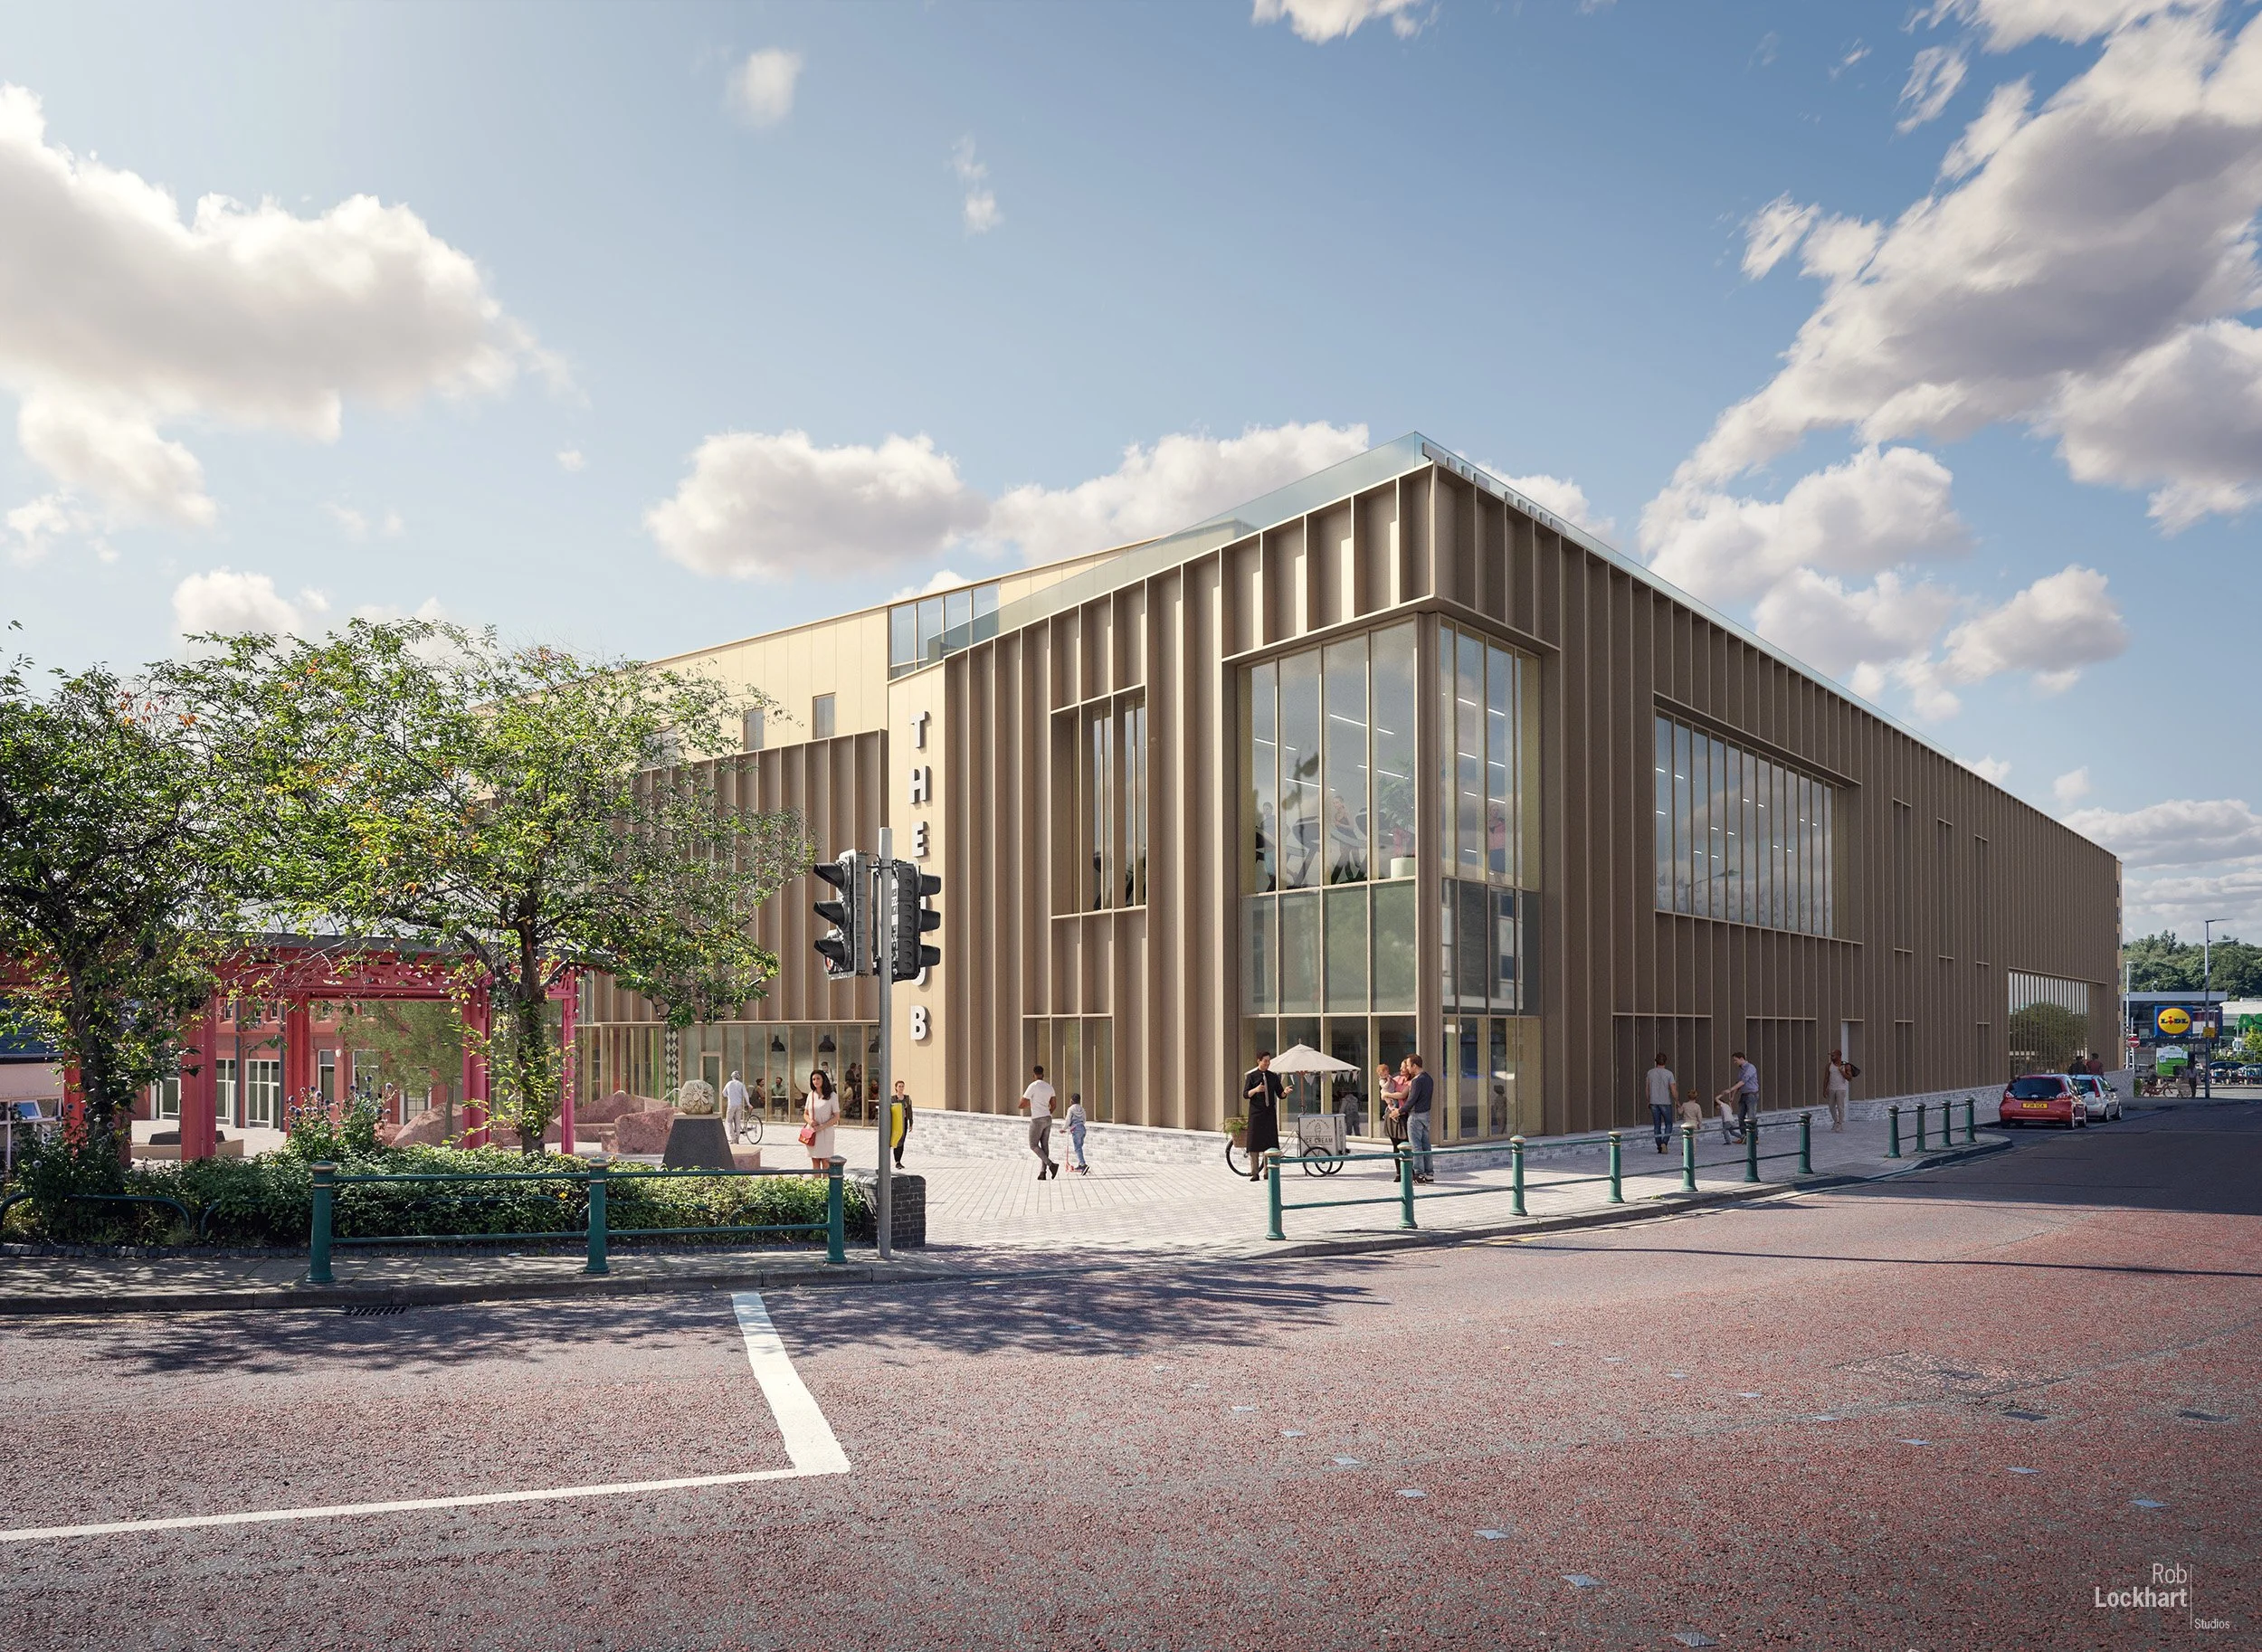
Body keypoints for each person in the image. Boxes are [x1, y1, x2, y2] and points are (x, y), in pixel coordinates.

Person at [1241, 1051, 1284, 1182]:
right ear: (1258, 1061)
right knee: (1254, 1143)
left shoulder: (1273, 1077)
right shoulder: (1252, 1076)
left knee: (1269, 1142)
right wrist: (1256, 1090)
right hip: (1256, 1113)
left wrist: (1285, 1092)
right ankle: (1255, 1173)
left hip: (1269, 1113)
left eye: (1269, 1061)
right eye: (1265, 1061)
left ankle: (1268, 1171)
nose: (1267, 1063)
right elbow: (1245, 1094)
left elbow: (1280, 1094)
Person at [1018, 1064, 1059, 1180]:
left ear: (1034, 1075)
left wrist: (1032, 1104)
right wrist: (1046, 1111)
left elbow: (1021, 1105)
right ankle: (1043, 1173)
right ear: (1043, 1074)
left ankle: (1051, 1165)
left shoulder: (1033, 1086)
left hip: (1037, 1119)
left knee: (1033, 1145)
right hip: (1047, 1118)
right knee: (1044, 1145)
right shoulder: (1050, 1087)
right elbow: (1054, 1105)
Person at [1402, 1054, 1434, 1182]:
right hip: (1426, 1115)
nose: (1408, 1069)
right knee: (1426, 1145)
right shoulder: (1429, 1079)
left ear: (1415, 1066)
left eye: (1409, 1066)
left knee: (1416, 1146)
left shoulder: (1417, 1080)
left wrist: (1399, 1111)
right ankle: (1429, 1174)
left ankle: (1419, 1175)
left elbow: (1411, 1100)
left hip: (1415, 1116)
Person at [1716, 1050, 1760, 1144]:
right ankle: (1744, 1137)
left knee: (1751, 1117)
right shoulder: (1741, 1070)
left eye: (1735, 1060)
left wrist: (1730, 1090)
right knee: (1740, 1116)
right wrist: (1733, 1096)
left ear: (1741, 1059)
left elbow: (1743, 1081)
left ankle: (1754, 1138)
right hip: (1744, 1094)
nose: (1734, 1063)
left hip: (1752, 1094)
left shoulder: (1750, 1068)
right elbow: (1738, 1084)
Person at [802, 1069, 839, 1172]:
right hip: (812, 1133)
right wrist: (811, 1122)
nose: (816, 1081)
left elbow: (836, 1117)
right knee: (815, 1161)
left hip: (826, 1133)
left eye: (818, 1078)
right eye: (813, 1079)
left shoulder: (832, 1096)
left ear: (824, 1080)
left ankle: (825, 1186)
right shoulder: (811, 1095)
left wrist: (821, 1126)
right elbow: (805, 1114)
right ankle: (816, 1185)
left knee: (826, 1161)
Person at [1645, 1053, 1678, 1154]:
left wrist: (1648, 1100)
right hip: (1665, 1102)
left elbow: (1647, 1088)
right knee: (1669, 1124)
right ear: (1665, 1061)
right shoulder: (1669, 1074)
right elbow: (1673, 1089)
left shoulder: (1650, 1073)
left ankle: (1659, 1146)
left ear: (1656, 1061)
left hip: (1654, 1102)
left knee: (1657, 1125)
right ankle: (1665, 1142)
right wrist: (1677, 1100)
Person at [1376, 1063, 1408, 1152]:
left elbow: (1402, 1095)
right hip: (1393, 1114)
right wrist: (1385, 1095)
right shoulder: (1396, 1078)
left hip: (1403, 1114)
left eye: (1404, 1067)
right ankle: (1399, 1165)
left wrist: (1387, 1094)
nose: (1401, 1068)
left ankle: (1408, 1165)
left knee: (1406, 1145)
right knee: (1396, 1145)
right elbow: (1384, 1094)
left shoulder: (1411, 1081)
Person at [1822, 1049, 1854, 1134]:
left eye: (1833, 1056)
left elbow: (1850, 1078)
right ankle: (1836, 1121)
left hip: (1841, 1089)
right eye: (1831, 1056)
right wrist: (1824, 1089)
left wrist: (1841, 1071)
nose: (1831, 1057)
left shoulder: (1846, 1066)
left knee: (1840, 1107)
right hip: (1831, 1088)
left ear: (1839, 1056)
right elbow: (1826, 1078)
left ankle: (1840, 1124)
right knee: (1831, 1107)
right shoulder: (1829, 1065)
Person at [889, 1078, 912, 1170]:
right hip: (896, 1122)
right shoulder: (893, 1099)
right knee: (897, 1140)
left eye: (902, 1086)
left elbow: (910, 1111)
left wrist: (911, 1122)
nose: (901, 1088)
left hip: (904, 1121)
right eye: (899, 1086)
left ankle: (899, 1161)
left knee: (902, 1141)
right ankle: (896, 1160)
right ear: (896, 1087)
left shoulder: (907, 1098)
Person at [1065, 1091, 1090, 1175]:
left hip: (1076, 1129)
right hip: (1082, 1129)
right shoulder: (1082, 1109)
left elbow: (1068, 1119)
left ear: (1071, 1100)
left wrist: (1064, 1128)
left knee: (1077, 1148)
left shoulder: (1071, 1109)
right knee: (1080, 1147)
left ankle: (1083, 1165)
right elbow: (1084, 1119)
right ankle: (1080, 1164)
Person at [723, 1068, 750, 1144]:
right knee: (738, 1122)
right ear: (739, 1077)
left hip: (731, 1105)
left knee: (728, 1121)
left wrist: (729, 1095)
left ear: (732, 1077)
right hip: (739, 1105)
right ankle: (737, 1139)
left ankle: (733, 1137)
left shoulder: (729, 1084)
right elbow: (746, 1095)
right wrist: (748, 1103)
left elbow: (724, 1093)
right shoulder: (741, 1084)